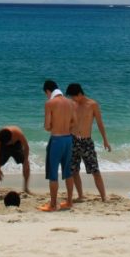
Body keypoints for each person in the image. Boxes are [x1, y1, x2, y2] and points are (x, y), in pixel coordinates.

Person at [67, 83, 112, 202]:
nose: (72, 99)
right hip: (73, 140)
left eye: (73, 96)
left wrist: (105, 140)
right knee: (74, 171)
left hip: (86, 141)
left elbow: (100, 123)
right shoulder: (72, 104)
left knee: (95, 170)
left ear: (79, 94)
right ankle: (80, 196)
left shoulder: (92, 104)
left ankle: (103, 197)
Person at [39, 79, 76, 212]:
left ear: (48, 91)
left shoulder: (50, 103)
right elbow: (74, 122)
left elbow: (47, 126)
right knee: (68, 173)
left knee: (53, 174)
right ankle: (69, 202)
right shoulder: (71, 102)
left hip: (56, 140)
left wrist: (54, 127)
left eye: (46, 94)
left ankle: (53, 205)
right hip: (68, 139)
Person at [0, 126, 32, 198]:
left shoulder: (17, 133)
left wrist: (26, 161)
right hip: (4, 148)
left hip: (16, 145)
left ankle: (26, 188)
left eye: (9, 142)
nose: (8, 144)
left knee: (26, 164)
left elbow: (26, 147)